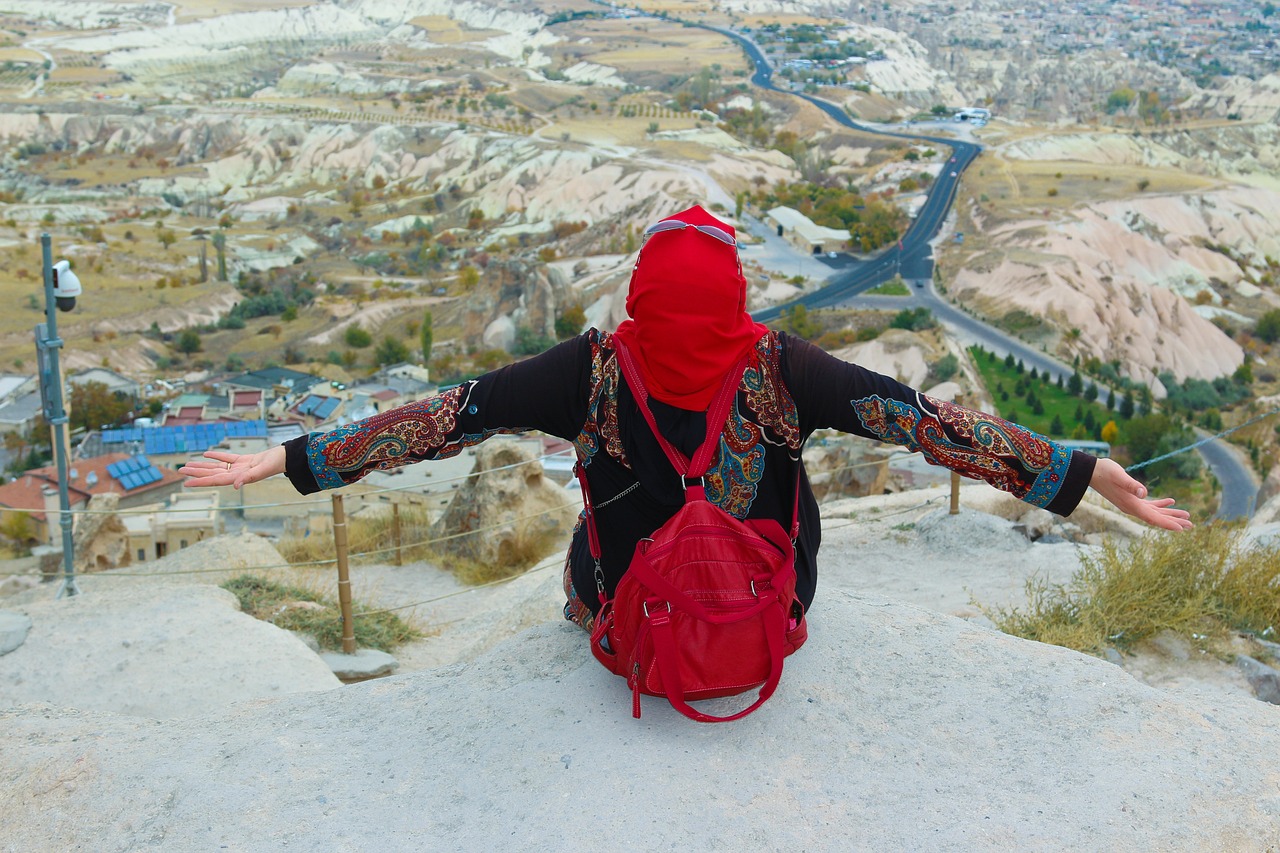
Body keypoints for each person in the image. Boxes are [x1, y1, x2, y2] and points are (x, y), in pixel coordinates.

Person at [180, 204, 1192, 631]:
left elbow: (443, 417)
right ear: (731, 295)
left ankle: (602, 611)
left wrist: (286, 460)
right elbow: (928, 423)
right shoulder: (781, 366)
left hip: (621, 616)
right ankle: (769, 608)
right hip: (767, 607)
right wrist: (1072, 469)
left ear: (641, 297)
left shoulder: (585, 370)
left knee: (595, 538)